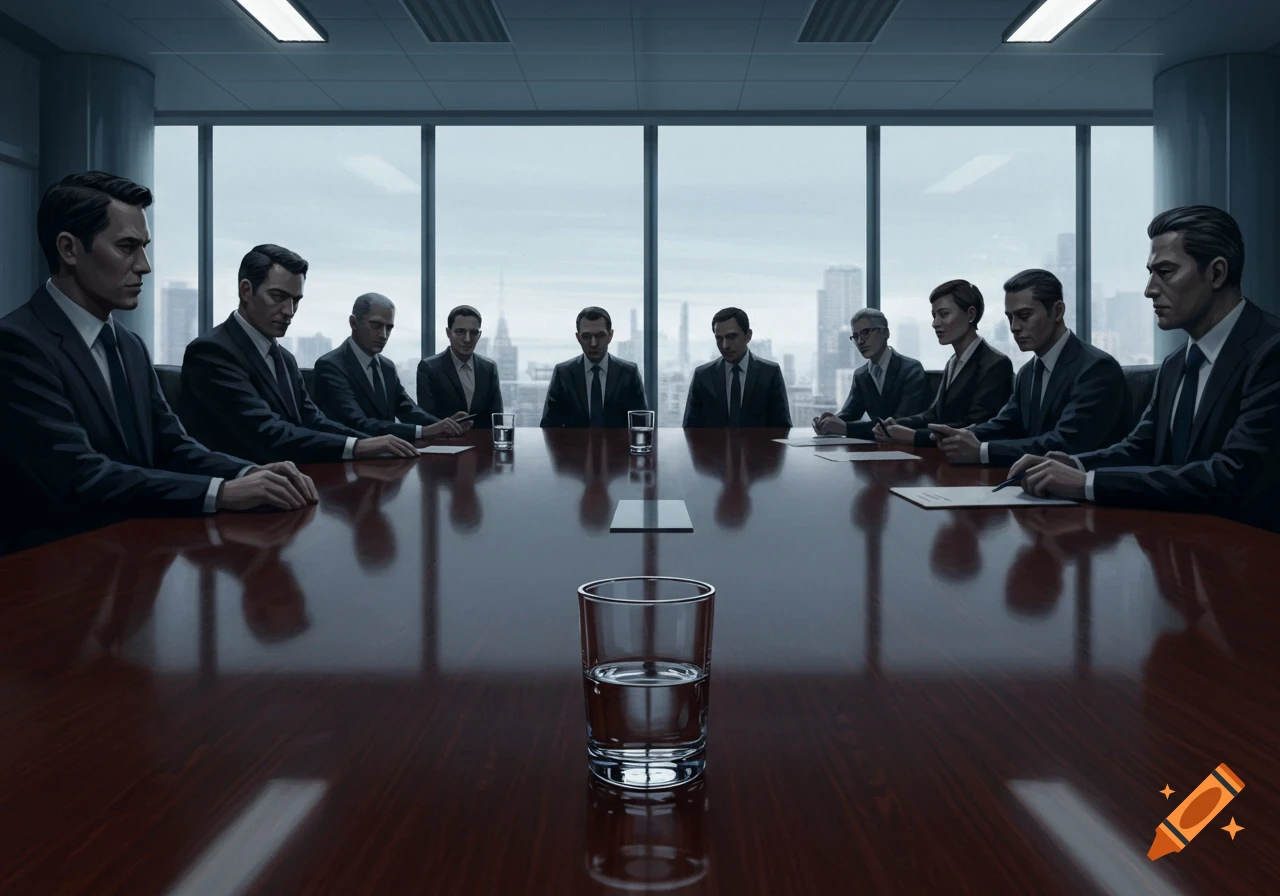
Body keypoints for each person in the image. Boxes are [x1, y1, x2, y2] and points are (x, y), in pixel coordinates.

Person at [0, 172, 316, 555]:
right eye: (127, 247)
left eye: (144, 247)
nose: (145, 265)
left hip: (135, 556)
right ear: (69, 249)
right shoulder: (17, 344)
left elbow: (172, 445)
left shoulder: (130, 345)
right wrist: (223, 492)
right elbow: (79, 475)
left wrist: (247, 471)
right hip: (52, 575)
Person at [1012, 206, 1280, 532]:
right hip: (1177, 547)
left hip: (1253, 560)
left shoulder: (1271, 352)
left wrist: (1086, 483)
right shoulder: (1175, 364)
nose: (1150, 289)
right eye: (1150, 272)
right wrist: (1073, 464)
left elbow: (1232, 475)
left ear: (1217, 273)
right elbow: (1140, 447)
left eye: (1165, 272)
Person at [180, 245, 418, 465]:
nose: (289, 311)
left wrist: (370, 443)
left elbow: (312, 419)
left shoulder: (285, 358)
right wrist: (358, 446)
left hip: (292, 479)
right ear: (246, 290)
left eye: (296, 300)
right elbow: (265, 431)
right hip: (240, 492)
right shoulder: (212, 352)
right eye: (278, 297)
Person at [930, 269, 1127, 466]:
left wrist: (982, 451)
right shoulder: (1027, 372)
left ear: (1057, 311)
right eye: (1010, 318)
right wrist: (960, 436)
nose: (1014, 327)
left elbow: (1065, 443)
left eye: (1024, 316)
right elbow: (1006, 424)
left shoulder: (1096, 369)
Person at [312, 292, 472, 441]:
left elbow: (408, 410)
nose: (383, 335)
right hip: (346, 464)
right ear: (353, 322)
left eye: (389, 328)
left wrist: (446, 425)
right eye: (376, 325)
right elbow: (356, 423)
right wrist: (425, 431)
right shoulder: (330, 366)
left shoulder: (387, 366)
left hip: (390, 458)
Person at [875, 280, 1013, 447]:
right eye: (934, 316)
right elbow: (934, 415)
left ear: (970, 314)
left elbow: (977, 426)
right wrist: (898, 423)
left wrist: (915, 436)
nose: (935, 323)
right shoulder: (953, 362)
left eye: (944, 314)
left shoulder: (995, 363)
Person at [812, 307, 929, 438]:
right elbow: (849, 414)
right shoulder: (861, 375)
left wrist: (845, 428)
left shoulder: (911, 369)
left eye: (866, 332)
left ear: (885, 333)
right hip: (875, 448)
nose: (860, 341)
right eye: (855, 336)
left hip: (910, 449)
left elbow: (899, 423)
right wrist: (828, 423)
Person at [682, 307, 791, 428]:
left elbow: (782, 427)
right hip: (713, 447)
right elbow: (690, 428)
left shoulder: (770, 373)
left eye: (732, 337)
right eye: (719, 338)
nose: (725, 345)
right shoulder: (702, 375)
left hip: (758, 447)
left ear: (748, 336)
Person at [540, 306, 648, 428]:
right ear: (578, 338)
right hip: (574, 447)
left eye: (600, 336)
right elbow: (548, 426)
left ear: (610, 336)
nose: (593, 343)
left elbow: (641, 423)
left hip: (618, 447)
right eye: (586, 336)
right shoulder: (563, 373)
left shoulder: (628, 373)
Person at [417, 305, 504, 429]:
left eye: (473, 333)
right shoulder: (429, 368)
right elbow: (427, 418)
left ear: (479, 335)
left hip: (482, 444)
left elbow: (497, 418)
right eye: (460, 331)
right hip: (444, 443)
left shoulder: (489, 367)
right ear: (448, 333)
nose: (467, 339)